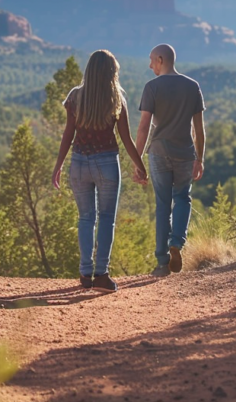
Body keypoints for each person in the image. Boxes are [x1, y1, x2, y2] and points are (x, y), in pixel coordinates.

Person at [53, 50, 147, 293]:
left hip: (79, 162)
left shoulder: (75, 97)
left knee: (86, 218)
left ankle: (85, 274)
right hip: (106, 162)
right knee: (106, 218)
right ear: (111, 72)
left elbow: (68, 134)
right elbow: (125, 138)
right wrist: (140, 165)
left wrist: (59, 165)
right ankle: (102, 274)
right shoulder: (117, 98)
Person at [135, 43, 206, 277]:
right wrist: (200, 158)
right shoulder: (192, 86)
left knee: (163, 205)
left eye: (152, 60)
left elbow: (144, 127)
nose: (149, 65)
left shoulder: (152, 87)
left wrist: (137, 161)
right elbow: (199, 129)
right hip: (185, 154)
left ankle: (161, 263)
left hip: (159, 152)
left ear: (161, 59)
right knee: (183, 198)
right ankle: (177, 242)